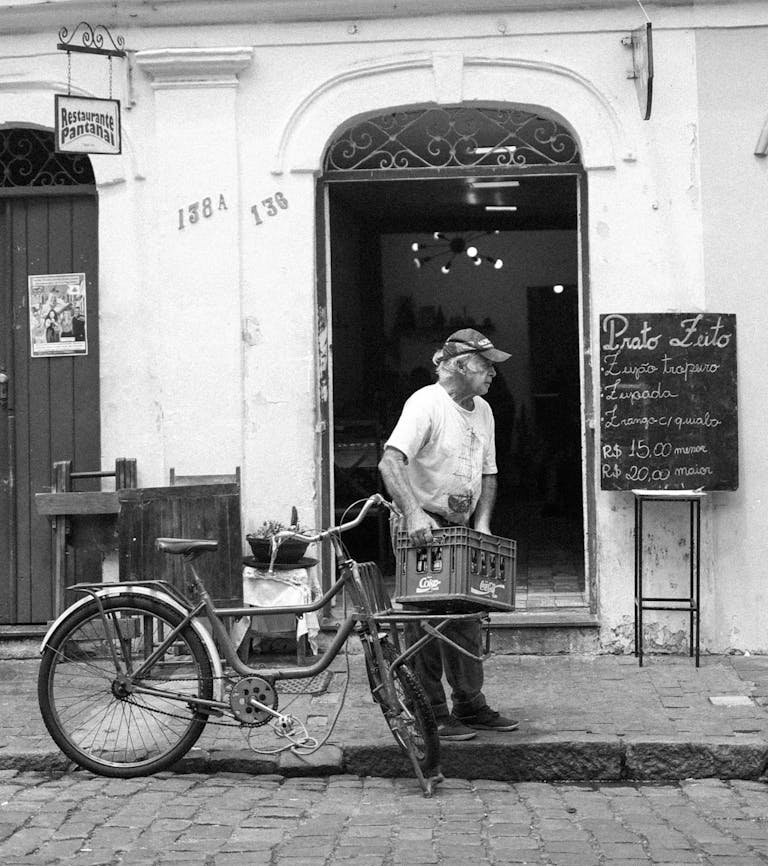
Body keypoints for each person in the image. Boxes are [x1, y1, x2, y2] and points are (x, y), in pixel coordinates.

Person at [378, 327, 519, 741]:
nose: (493, 373)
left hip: (460, 527)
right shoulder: (426, 403)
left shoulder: (484, 410)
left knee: (467, 614)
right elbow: (390, 463)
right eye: (484, 365)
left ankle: (470, 705)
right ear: (458, 366)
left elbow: (489, 474)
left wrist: (483, 523)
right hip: (423, 523)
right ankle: (431, 712)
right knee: (426, 620)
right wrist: (414, 513)